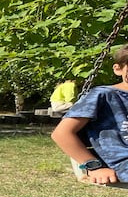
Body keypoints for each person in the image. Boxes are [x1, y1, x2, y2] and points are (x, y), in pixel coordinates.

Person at [51, 45, 128, 185]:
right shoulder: (103, 95)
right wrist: (94, 167)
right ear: (118, 69)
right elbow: (61, 133)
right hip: (122, 163)